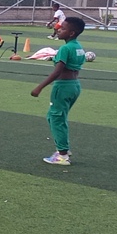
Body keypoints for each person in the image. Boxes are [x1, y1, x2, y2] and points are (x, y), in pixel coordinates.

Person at [31, 15, 86, 166]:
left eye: (63, 28)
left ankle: (62, 155)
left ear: (71, 33)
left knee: (56, 118)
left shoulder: (65, 48)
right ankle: (64, 148)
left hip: (63, 86)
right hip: (74, 85)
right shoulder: (78, 47)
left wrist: (39, 87)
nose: (59, 30)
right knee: (57, 117)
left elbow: (57, 72)